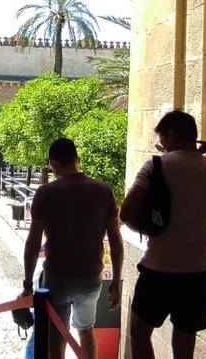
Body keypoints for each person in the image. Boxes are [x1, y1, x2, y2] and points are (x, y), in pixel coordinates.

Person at [119, 110, 206, 359]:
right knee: (184, 341)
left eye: (163, 138)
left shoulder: (155, 166)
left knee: (140, 331)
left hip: (159, 267)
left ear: (171, 135)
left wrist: (145, 226)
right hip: (199, 271)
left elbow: (126, 213)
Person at [21, 138, 124, 359]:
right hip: (90, 277)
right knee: (86, 331)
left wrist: (28, 283)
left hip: (57, 276)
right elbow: (116, 241)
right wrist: (115, 281)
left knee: (56, 335)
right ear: (77, 160)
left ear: (52, 164)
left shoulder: (45, 193)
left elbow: (32, 243)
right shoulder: (103, 190)